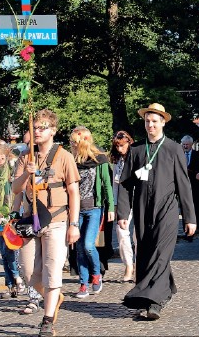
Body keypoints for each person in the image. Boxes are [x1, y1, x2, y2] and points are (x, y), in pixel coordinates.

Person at [117, 103, 196, 320]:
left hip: (167, 209)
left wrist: (189, 218)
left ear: (162, 122)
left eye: (154, 121)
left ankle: (154, 302)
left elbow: (184, 184)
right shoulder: (136, 150)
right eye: (147, 121)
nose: (150, 125)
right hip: (142, 209)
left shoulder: (173, 148)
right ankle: (156, 293)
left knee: (161, 253)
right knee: (145, 253)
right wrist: (123, 213)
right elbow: (125, 184)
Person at [11, 109, 81, 337]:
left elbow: (73, 191)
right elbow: (16, 189)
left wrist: (74, 224)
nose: (37, 132)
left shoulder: (64, 156)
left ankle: (48, 319)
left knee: (52, 271)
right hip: (31, 221)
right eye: (35, 128)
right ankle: (54, 295)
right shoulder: (25, 157)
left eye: (42, 128)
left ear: (53, 130)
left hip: (57, 220)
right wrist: (26, 174)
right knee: (28, 272)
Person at [68, 126, 114, 299]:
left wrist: (110, 207)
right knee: (78, 248)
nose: (71, 145)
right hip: (76, 210)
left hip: (94, 208)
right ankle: (83, 283)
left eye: (74, 142)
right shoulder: (71, 160)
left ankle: (96, 274)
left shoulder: (99, 159)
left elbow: (106, 184)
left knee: (88, 245)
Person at [0, 140, 24, 299]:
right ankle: (11, 286)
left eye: (2, 154)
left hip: (11, 212)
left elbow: (17, 191)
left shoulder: (12, 169)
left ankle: (18, 278)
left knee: (10, 249)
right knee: (2, 251)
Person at [110, 130, 136, 282]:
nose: (120, 149)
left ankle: (139, 264)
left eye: (122, 146)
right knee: (121, 231)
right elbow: (115, 184)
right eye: (117, 146)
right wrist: (114, 204)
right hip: (121, 199)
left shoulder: (136, 157)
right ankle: (128, 264)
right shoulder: (117, 161)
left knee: (138, 234)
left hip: (137, 197)